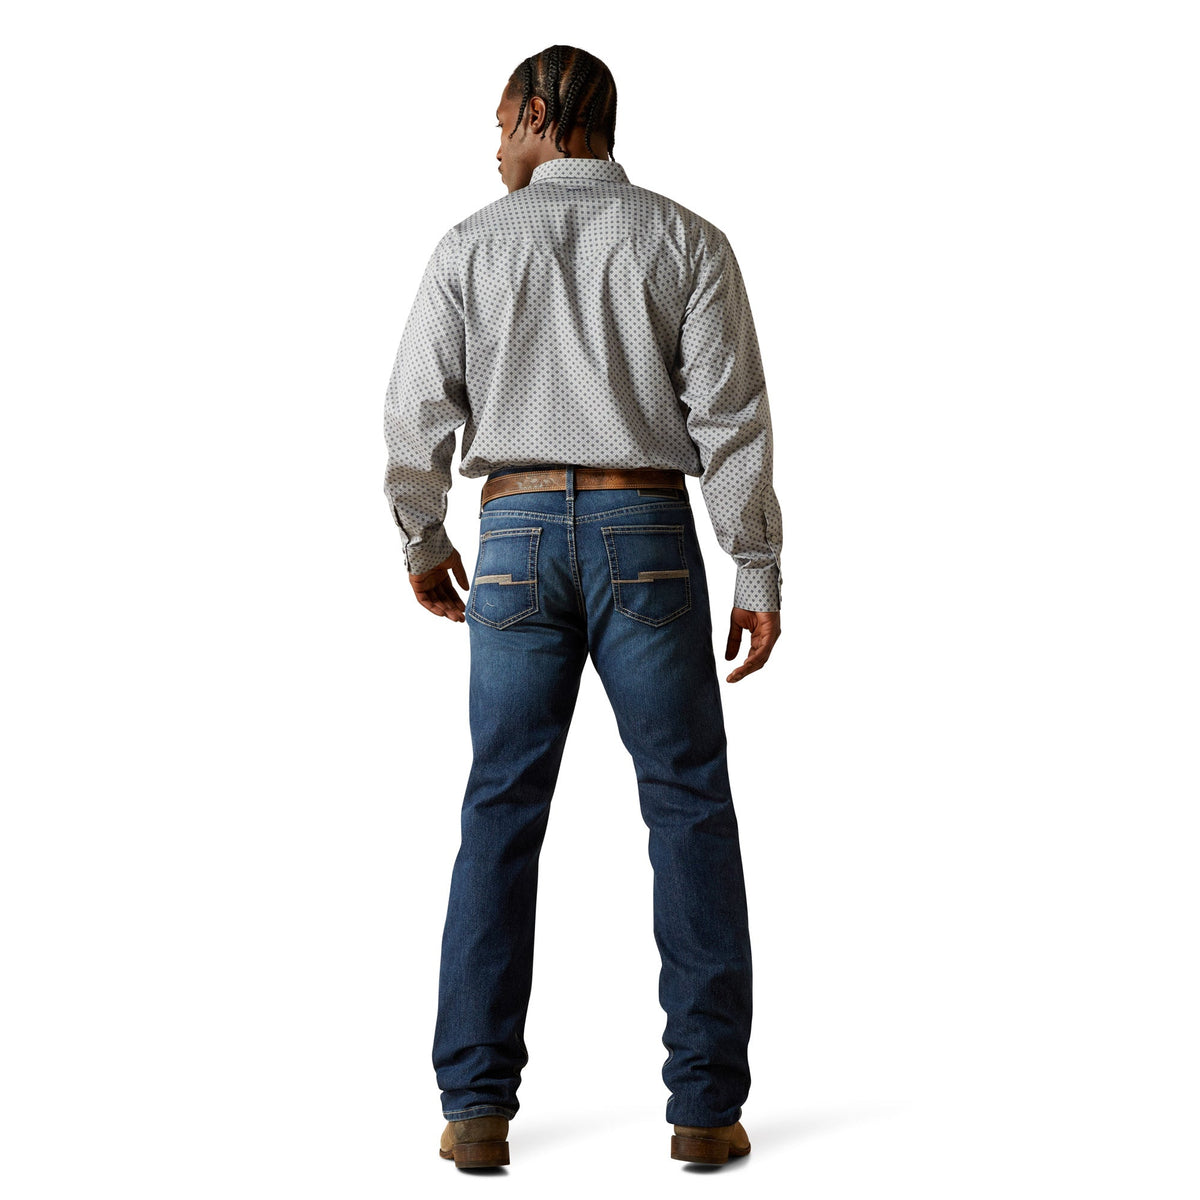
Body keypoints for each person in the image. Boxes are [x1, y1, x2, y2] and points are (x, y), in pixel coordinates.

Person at [382, 44, 783, 1169]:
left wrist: (423, 539)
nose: (493, 141)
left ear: (541, 114)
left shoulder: (469, 245)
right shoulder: (686, 240)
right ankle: (705, 1108)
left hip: (511, 539)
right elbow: (732, 420)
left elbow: (413, 413)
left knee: (499, 811)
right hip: (644, 534)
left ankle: (476, 1108)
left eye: (501, 119)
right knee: (688, 807)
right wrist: (754, 566)